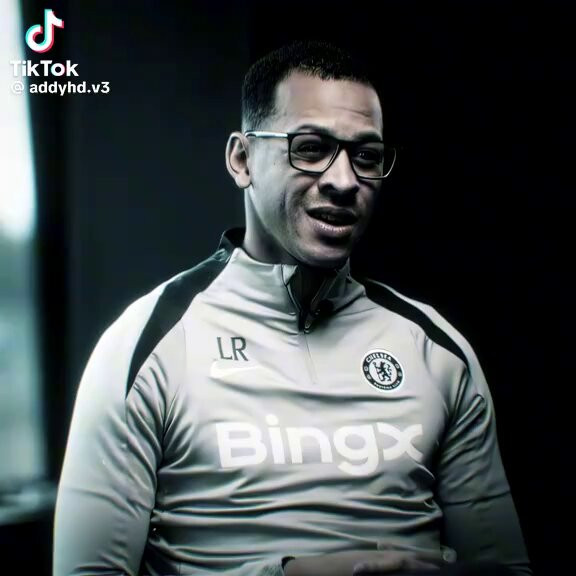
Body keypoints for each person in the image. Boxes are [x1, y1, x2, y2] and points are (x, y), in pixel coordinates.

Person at [53, 40, 532, 576]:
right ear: (242, 160)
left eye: (366, 156)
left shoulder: (436, 351)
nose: (344, 181)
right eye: (310, 148)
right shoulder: (148, 346)